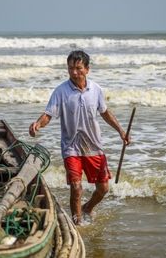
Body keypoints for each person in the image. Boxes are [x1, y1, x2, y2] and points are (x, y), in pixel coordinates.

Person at [29, 50, 130, 225]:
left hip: (93, 146)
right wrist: (38, 124)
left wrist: (121, 131)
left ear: (87, 69)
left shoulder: (95, 89)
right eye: (70, 68)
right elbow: (48, 114)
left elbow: (105, 113)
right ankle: (77, 223)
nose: (74, 72)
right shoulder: (61, 91)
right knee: (76, 188)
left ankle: (87, 208)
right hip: (71, 147)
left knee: (103, 188)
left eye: (78, 68)